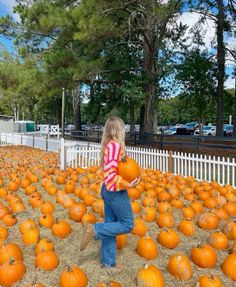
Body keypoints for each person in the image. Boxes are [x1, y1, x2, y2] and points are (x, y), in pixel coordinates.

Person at [80, 116, 140, 268]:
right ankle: (94, 229)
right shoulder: (115, 146)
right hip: (115, 192)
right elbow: (111, 175)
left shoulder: (109, 145)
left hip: (108, 189)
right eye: (123, 129)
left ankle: (107, 263)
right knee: (127, 224)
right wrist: (129, 185)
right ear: (119, 130)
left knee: (110, 225)